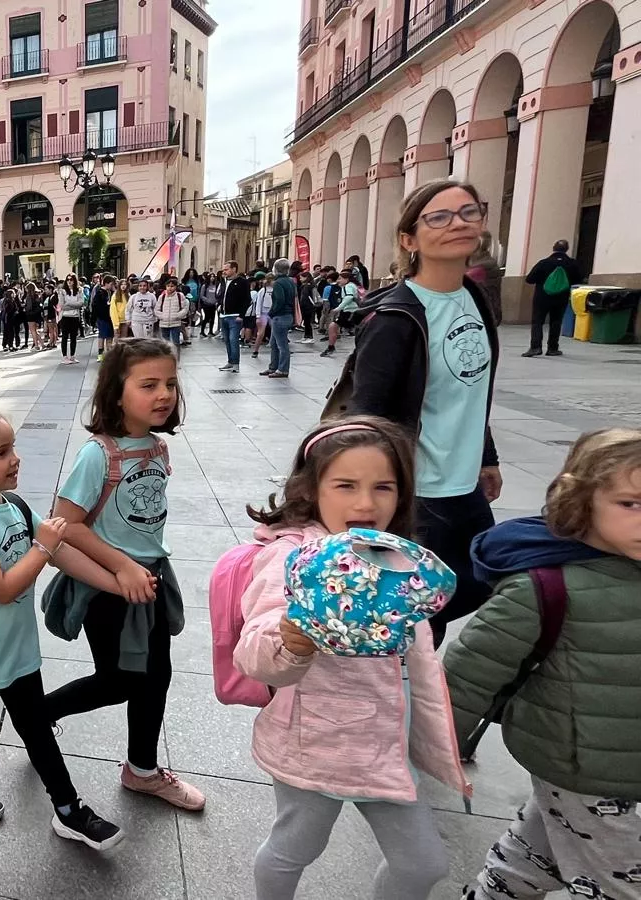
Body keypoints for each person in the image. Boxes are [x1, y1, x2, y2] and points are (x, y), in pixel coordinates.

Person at [238, 417, 464, 898]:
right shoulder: (295, 559)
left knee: (422, 864)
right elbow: (254, 651)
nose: (365, 503)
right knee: (294, 848)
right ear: (310, 489)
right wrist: (293, 639)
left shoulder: (395, 557)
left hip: (385, 743)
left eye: (383, 487)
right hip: (316, 742)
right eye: (345, 486)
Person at [446, 428, 641, 900]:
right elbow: (467, 677)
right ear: (582, 501)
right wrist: (428, 749)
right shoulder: (543, 585)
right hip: (583, 770)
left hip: (619, 761)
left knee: (530, 859)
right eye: (630, 504)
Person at [0, 407, 127, 850]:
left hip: (17, 650)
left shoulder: (13, 505)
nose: (15, 458)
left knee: (35, 727)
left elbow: (61, 554)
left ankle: (69, 810)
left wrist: (115, 583)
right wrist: (42, 545)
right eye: (1, 452)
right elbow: (1, 587)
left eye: (13, 447)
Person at [44, 338, 205, 811]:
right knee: (118, 680)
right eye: (148, 384)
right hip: (108, 588)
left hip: (150, 578)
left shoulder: (155, 446)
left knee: (156, 676)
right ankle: (39, 714)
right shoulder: (99, 454)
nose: (163, 395)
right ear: (117, 393)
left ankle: (142, 770)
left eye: (170, 384)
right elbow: (64, 524)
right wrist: (121, 566)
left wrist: (142, 566)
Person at [347, 180, 501, 644]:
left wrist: (486, 455)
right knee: (417, 619)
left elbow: (471, 390)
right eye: (439, 217)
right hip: (421, 493)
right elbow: (367, 418)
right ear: (409, 239)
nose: (457, 223)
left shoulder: (474, 299)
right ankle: (407, 703)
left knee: (477, 584)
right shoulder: (397, 318)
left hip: (465, 483)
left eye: (468, 212)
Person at [523, 239, 586, 358]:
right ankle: (552, 348)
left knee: (537, 321)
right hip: (561, 298)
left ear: (553, 248)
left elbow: (529, 279)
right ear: (567, 249)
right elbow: (579, 279)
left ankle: (535, 347)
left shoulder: (544, 263)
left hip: (542, 297)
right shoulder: (572, 263)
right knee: (556, 322)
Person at [261, 259, 299, 378]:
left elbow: (279, 301)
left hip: (280, 316)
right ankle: (273, 366)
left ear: (276, 269)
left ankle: (282, 369)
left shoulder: (278, 283)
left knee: (282, 345)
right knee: (273, 342)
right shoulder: (291, 281)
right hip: (288, 315)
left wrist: (271, 313)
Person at [218, 261, 251, 372]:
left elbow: (247, 299)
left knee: (233, 340)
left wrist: (241, 315)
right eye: (224, 270)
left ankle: (236, 363)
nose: (224, 272)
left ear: (234, 269)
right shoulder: (224, 281)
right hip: (223, 314)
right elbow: (221, 295)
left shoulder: (242, 282)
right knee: (227, 340)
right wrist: (219, 305)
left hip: (235, 316)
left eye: (226, 269)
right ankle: (230, 361)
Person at [320, 269, 361, 356]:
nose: (338, 281)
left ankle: (331, 347)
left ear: (346, 279)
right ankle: (331, 347)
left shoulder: (348, 287)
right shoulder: (351, 285)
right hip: (350, 311)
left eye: (340, 279)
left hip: (349, 312)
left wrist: (338, 308)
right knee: (335, 326)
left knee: (333, 326)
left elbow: (349, 297)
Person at [55, 274, 86, 365]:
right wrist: (73, 305)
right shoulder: (62, 291)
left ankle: (72, 356)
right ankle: (65, 356)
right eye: (67, 279)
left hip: (75, 317)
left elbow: (81, 303)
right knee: (64, 337)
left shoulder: (80, 290)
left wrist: (69, 304)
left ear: (74, 281)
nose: (69, 281)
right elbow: (61, 305)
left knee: (73, 337)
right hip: (65, 317)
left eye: (71, 280)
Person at [155, 280, 188, 354]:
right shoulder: (162, 297)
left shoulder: (180, 296)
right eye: (168, 286)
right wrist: (162, 316)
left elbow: (185, 308)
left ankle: (177, 359)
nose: (170, 288)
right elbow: (157, 309)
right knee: (165, 343)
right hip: (164, 323)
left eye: (172, 286)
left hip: (175, 323)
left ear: (175, 287)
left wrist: (178, 315)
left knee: (176, 343)